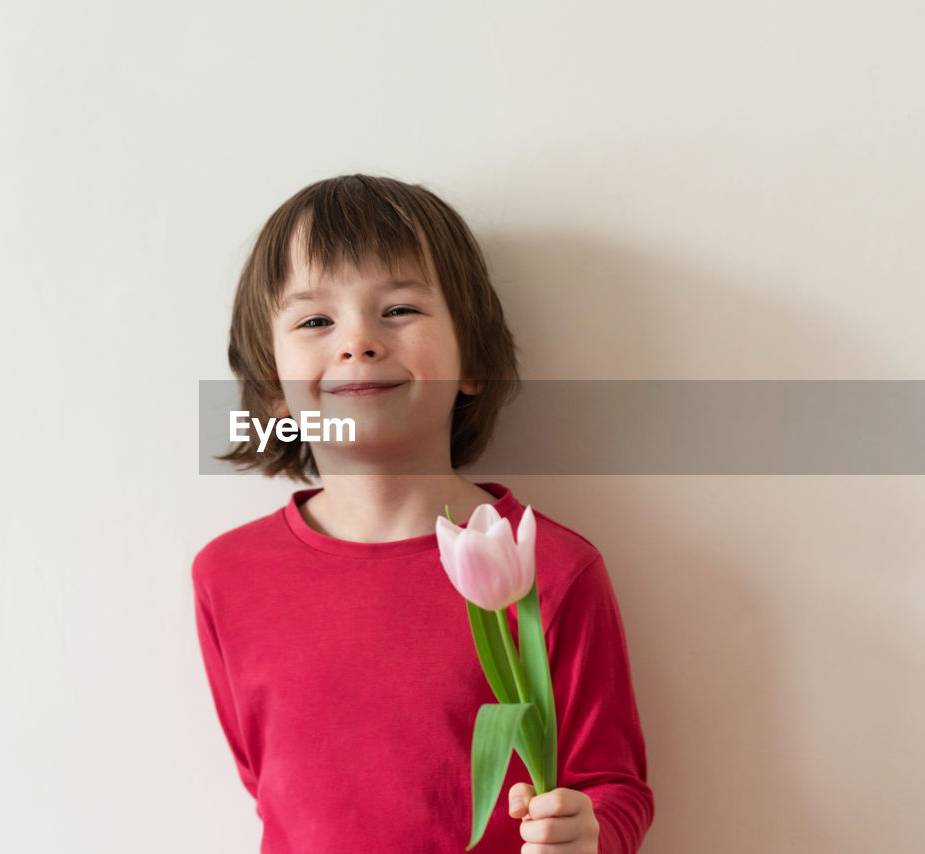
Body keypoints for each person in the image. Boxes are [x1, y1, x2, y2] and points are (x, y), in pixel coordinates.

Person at [192, 174, 654, 852]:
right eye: (316, 320)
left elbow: (614, 788)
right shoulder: (226, 575)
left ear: (472, 359)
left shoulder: (553, 569)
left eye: (400, 310)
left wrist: (588, 832)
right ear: (272, 393)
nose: (359, 341)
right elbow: (265, 785)